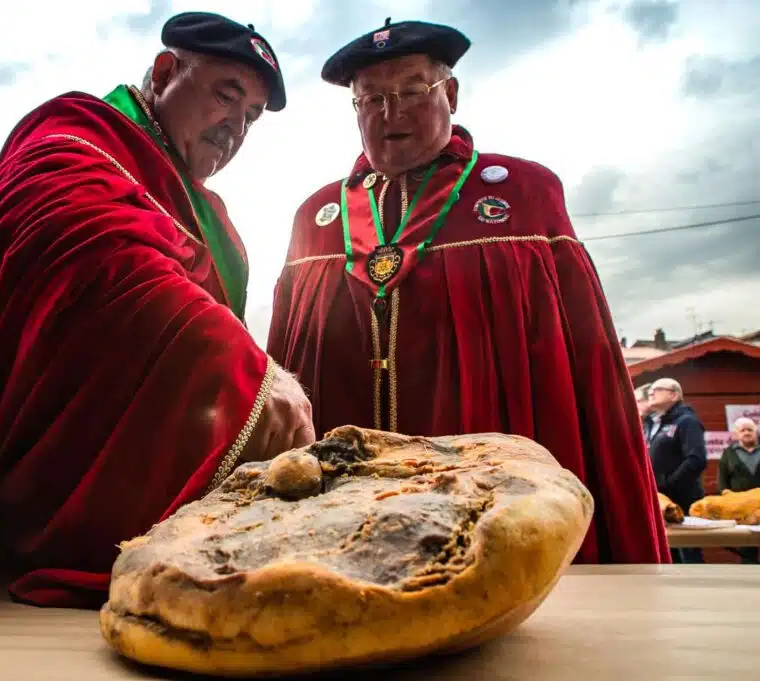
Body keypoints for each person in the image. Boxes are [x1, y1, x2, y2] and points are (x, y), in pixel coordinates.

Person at [0, 12, 314, 607]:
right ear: (166, 71)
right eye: (226, 95)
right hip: (37, 511)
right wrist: (250, 374)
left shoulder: (206, 209)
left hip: (148, 513)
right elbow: (86, 244)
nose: (235, 126)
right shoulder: (77, 139)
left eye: (250, 115)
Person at [266, 18, 668, 564]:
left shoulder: (525, 193)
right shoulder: (315, 218)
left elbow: (583, 370)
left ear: (450, 93)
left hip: (491, 508)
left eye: (412, 91)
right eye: (371, 99)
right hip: (344, 522)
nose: (391, 113)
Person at [645, 378, 707, 563]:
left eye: (657, 389)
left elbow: (696, 459)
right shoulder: (653, 424)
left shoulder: (687, 421)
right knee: (667, 553)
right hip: (660, 500)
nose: (651, 393)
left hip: (683, 499)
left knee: (688, 554)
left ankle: (697, 592)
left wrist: (669, 484)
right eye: (650, 390)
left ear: (674, 395)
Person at [717, 416, 759, 564]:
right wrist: (726, 495)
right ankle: (748, 571)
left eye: (750, 429)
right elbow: (722, 479)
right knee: (746, 542)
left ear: (756, 432)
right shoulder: (728, 453)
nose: (747, 433)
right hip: (741, 507)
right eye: (743, 430)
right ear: (736, 434)